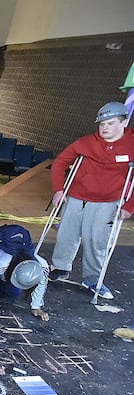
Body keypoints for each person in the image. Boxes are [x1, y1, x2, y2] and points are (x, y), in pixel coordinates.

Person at [48, 101, 134, 300]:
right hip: (76, 196)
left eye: (111, 123)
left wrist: (129, 207)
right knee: (67, 234)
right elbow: (60, 162)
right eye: (102, 124)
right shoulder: (86, 142)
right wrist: (59, 190)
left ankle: (93, 278)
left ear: (124, 123)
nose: (105, 128)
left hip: (108, 201)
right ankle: (60, 267)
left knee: (97, 239)